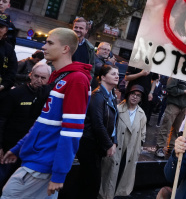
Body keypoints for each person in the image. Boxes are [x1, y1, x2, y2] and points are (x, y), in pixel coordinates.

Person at [1, 27, 91, 198]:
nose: (44, 47)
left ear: (65, 48)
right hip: (37, 160)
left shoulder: (77, 80)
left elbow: (72, 131)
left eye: (50, 42)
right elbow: (42, 122)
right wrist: (19, 148)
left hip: (42, 164)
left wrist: (59, 173)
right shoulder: (59, 78)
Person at [0, 63, 51, 192]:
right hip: (10, 145)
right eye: (36, 76)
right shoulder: (16, 93)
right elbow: (2, 120)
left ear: (48, 79)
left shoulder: (48, 95)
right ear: (30, 75)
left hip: (31, 149)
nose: (39, 80)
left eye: (43, 78)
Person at [74, 65, 119, 199]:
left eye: (117, 73)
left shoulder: (112, 96)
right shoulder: (97, 96)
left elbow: (115, 121)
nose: (117, 76)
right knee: (91, 183)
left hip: (99, 144)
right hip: (89, 144)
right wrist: (109, 144)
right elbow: (97, 123)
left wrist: (114, 141)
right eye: (113, 74)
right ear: (103, 77)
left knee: (91, 182)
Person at [99, 85, 147, 199]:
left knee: (122, 175)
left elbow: (143, 134)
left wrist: (138, 149)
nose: (135, 97)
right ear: (128, 94)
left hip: (130, 150)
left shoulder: (142, 114)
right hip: (116, 148)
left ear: (141, 99)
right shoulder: (118, 109)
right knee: (109, 173)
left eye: (138, 95)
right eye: (133, 94)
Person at [155, 78, 186, 159]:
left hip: (184, 106)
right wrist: (183, 92)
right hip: (173, 104)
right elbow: (170, 88)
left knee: (177, 129)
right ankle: (160, 147)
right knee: (166, 127)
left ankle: (171, 148)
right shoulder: (177, 73)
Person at [0, 11, 17, 98]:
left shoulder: (9, 49)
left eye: (1, 27)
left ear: (6, 30)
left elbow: (12, 72)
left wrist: (3, 86)